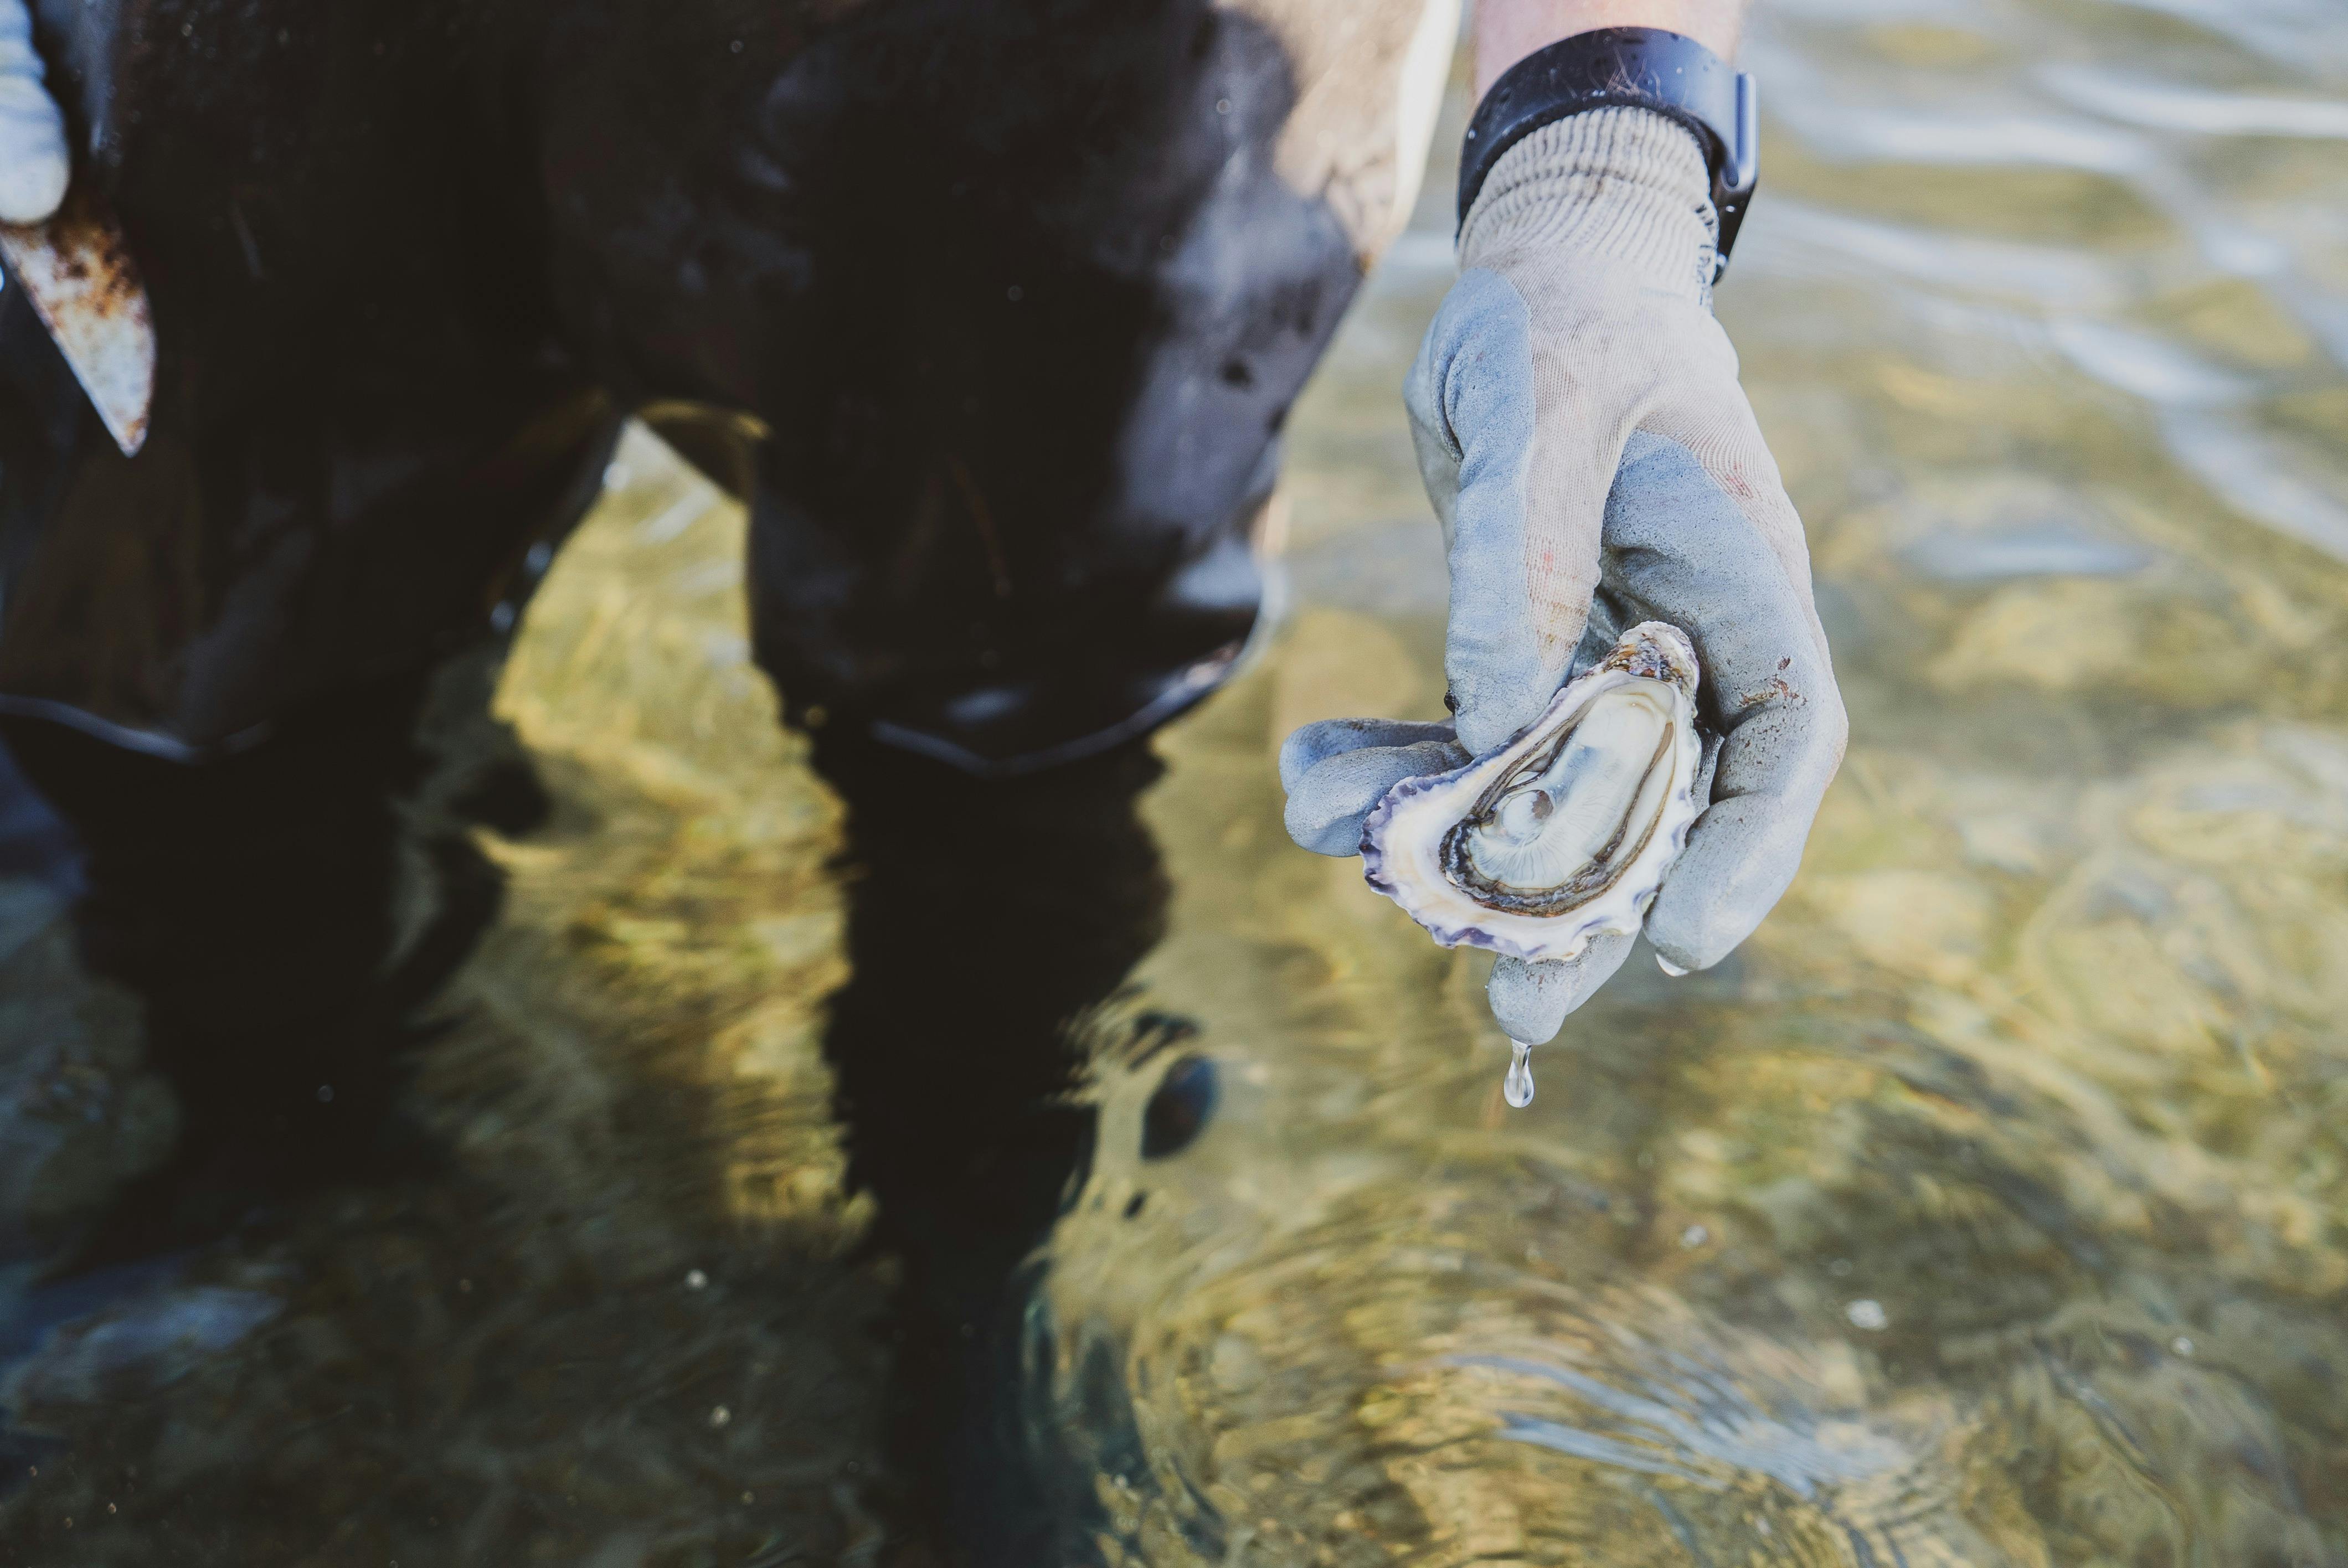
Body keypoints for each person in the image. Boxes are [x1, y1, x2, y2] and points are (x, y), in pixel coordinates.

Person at [0, 0, 1841, 1059]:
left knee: (1008, 743)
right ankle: (272, 1188)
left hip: (1092, 59)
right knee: (181, 681)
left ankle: (971, 1287)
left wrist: (1601, 159)